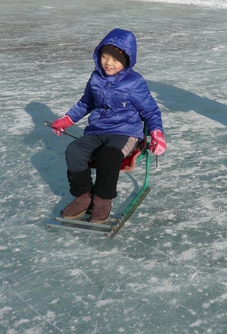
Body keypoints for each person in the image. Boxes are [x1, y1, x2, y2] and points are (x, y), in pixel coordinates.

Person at [50, 28, 166, 222]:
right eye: (105, 56)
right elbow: (86, 103)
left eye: (115, 59)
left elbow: (151, 111)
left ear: (127, 60)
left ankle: (102, 200)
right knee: (74, 151)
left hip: (125, 132)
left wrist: (157, 134)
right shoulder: (96, 78)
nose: (108, 63)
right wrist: (67, 120)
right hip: (97, 130)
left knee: (108, 156)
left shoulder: (134, 82)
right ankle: (83, 197)